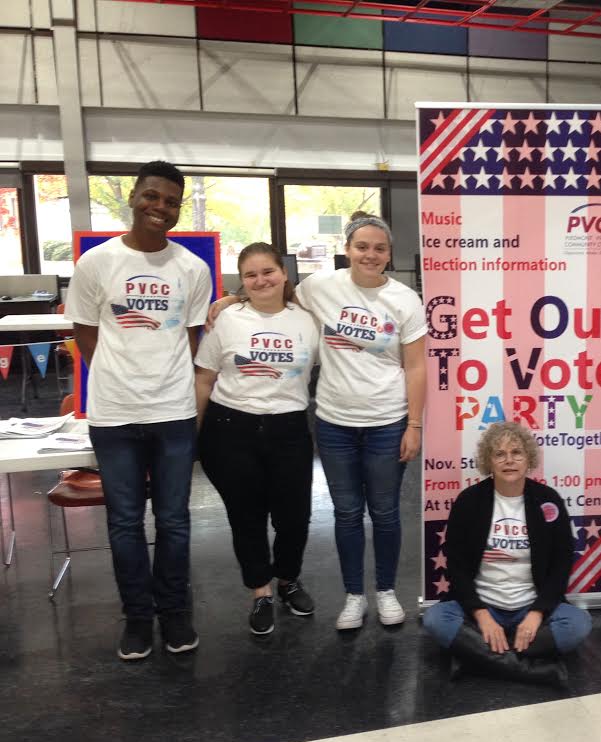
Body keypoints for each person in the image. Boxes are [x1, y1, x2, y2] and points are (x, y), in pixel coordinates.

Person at [209, 215, 425, 629]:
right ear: (348, 249)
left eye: (379, 248)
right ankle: (354, 596)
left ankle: (386, 592)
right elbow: (270, 292)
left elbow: (417, 367)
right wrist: (231, 299)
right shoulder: (321, 286)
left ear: (389, 254)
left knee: (385, 512)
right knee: (345, 513)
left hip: (387, 421)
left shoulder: (405, 300)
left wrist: (414, 425)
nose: (370, 254)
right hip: (334, 422)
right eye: (362, 246)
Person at [65, 160, 213, 660]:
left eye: (171, 202)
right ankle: (137, 617)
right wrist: (118, 372)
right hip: (113, 414)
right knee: (125, 521)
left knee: (174, 520)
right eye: (152, 196)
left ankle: (173, 612)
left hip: (172, 412)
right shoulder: (96, 264)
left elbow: (191, 339)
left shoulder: (192, 269)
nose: (160, 207)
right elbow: (85, 332)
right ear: (133, 196)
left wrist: (161, 380)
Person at [194, 243, 319, 636]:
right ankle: (260, 591)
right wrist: (192, 436)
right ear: (242, 282)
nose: (261, 280)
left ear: (284, 274)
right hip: (231, 428)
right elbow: (203, 378)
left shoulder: (308, 320)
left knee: (294, 516)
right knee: (247, 517)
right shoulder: (227, 320)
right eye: (251, 275)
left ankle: (288, 580)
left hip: (290, 428)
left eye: (268, 271)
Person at [421, 422, 592, 687]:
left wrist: (536, 614)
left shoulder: (548, 499)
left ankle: (475, 657)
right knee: (435, 619)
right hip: (484, 605)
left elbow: (561, 563)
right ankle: (528, 669)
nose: (509, 460)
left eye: (517, 453)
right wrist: (481, 614)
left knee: (578, 624)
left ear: (529, 459)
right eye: (499, 454)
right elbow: (455, 565)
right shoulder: (469, 501)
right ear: (488, 461)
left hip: (530, 605)